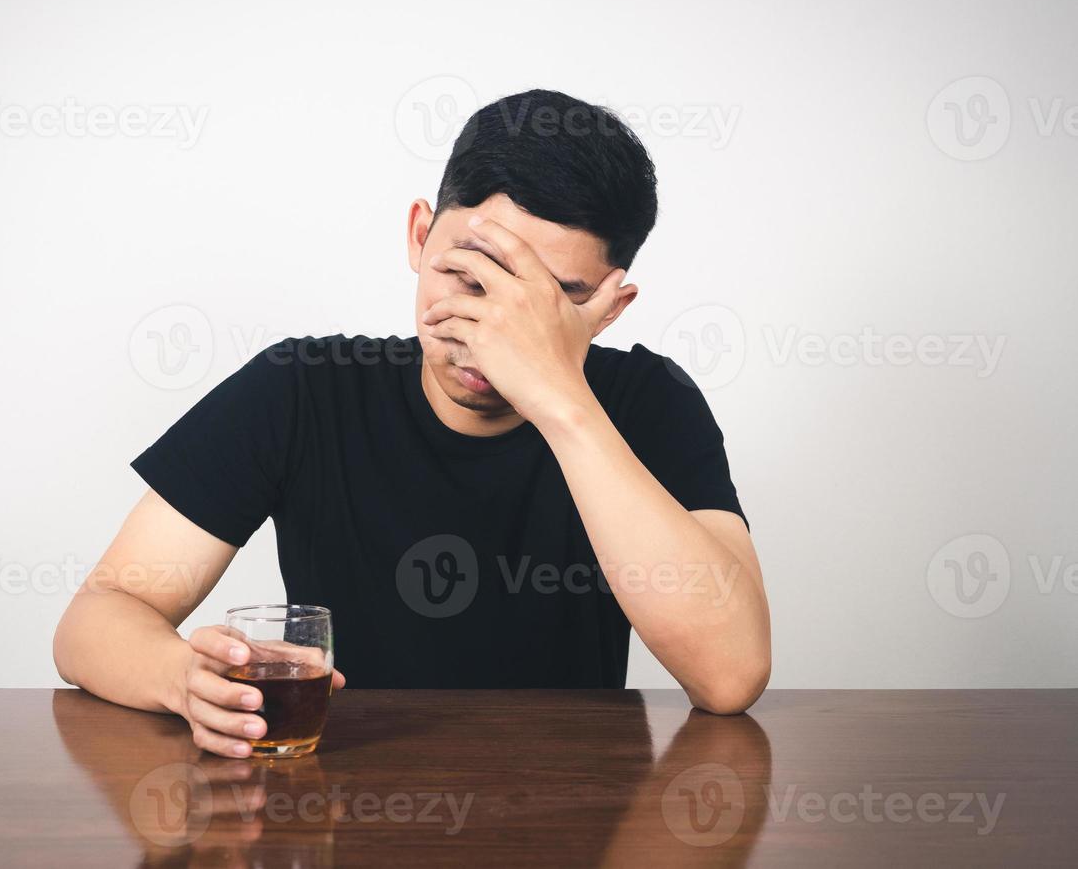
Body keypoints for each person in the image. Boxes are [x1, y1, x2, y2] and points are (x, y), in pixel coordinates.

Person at [54, 89, 771, 759]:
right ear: (420, 237)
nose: (492, 330)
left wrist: (559, 397)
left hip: (568, 813)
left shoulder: (649, 400)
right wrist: (180, 677)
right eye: (471, 276)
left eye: (547, 304)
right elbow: (97, 619)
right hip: (339, 803)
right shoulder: (302, 390)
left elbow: (729, 675)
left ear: (610, 309)